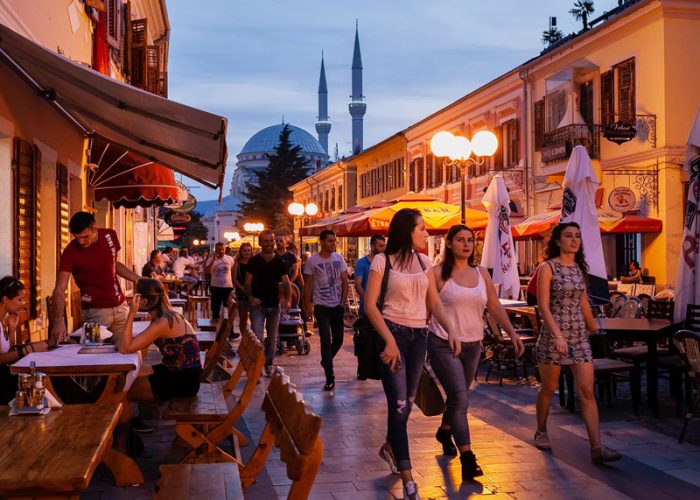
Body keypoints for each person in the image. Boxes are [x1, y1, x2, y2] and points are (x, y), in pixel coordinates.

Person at [364, 208, 459, 499]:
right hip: (392, 336)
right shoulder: (383, 261)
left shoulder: (424, 261)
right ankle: (408, 477)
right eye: (422, 228)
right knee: (400, 405)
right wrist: (389, 341)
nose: (426, 233)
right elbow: (369, 305)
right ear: (407, 230)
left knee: (408, 400)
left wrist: (450, 329)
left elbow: (434, 300)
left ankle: (391, 446)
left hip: (419, 337)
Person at [428, 225, 524, 480]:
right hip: (442, 344)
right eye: (460, 240)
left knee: (457, 397)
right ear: (448, 243)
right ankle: (468, 458)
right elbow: (429, 308)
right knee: (460, 398)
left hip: (473, 345)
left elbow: (493, 305)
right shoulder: (437, 274)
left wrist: (511, 333)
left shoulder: (481, 273)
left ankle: (445, 430)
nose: (466, 244)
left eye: (470, 240)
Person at [534, 222, 622, 464]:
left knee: (586, 391)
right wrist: (558, 336)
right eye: (568, 236)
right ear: (558, 241)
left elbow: (583, 303)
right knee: (549, 389)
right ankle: (541, 430)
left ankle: (596, 447)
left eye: (577, 237)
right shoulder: (547, 267)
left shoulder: (578, 270)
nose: (574, 240)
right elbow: (543, 306)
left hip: (579, 337)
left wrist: (595, 329)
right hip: (554, 338)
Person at [115, 278, 202, 451]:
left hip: (182, 381)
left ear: (144, 301)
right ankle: (135, 422)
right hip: (184, 373)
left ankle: (120, 447)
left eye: (136, 296)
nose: (133, 299)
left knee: (120, 394)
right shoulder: (169, 316)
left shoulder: (161, 322)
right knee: (126, 378)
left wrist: (131, 313)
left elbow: (125, 348)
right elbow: (132, 345)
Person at [50, 211, 141, 343]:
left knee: (126, 348)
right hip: (95, 312)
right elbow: (59, 289)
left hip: (120, 307)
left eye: (85, 237)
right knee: (92, 352)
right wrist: (58, 321)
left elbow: (113, 264)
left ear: (94, 229)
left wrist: (137, 279)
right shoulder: (70, 252)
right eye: (77, 238)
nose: (81, 242)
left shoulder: (110, 235)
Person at [303, 230, 349, 391]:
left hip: (337, 305)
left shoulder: (339, 258)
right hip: (321, 306)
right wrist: (307, 306)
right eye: (330, 241)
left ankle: (326, 360)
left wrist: (343, 303)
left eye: (334, 241)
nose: (333, 244)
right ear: (322, 242)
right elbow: (307, 284)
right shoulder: (312, 261)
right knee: (325, 339)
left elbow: (345, 281)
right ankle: (330, 376)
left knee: (339, 340)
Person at [245, 230, 292, 375]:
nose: (270, 244)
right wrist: (251, 298)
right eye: (266, 241)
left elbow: (286, 283)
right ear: (260, 243)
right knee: (258, 338)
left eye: (271, 241)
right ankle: (257, 365)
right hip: (258, 306)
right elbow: (247, 283)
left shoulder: (279, 262)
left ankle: (269, 363)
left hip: (274, 304)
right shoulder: (254, 261)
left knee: (273, 338)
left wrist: (288, 300)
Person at [0, 277, 50, 404]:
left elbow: (9, 352)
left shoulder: (3, 321)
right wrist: (29, 349)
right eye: (19, 300)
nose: (22, 303)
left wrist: (12, 330)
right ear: (5, 299)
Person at [354, 234, 386, 315]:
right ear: (372, 246)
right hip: (367, 309)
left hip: (384, 308)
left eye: (384, 246)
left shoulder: (386, 262)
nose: (383, 249)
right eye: (380, 246)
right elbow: (358, 285)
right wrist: (368, 302)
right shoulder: (362, 263)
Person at [204, 242, 235, 320]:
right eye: (218, 250)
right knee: (215, 309)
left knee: (228, 309)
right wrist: (213, 261)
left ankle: (229, 331)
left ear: (225, 250)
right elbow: (207, 272)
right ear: (215, 250)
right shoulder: (211, 260)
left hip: (228, 287)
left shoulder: (230, 259)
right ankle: (215, 329)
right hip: (215, 287)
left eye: (222, 249)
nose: (221, 251)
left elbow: (233, 271)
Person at [233, 243, 253, 336]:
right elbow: (234, 279)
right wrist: (242, 288)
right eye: (245, 250)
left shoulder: (253, 262)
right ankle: (244, 338)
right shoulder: (237, 263)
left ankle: (254, 340)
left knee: (254, 318)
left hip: (253, 293)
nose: (247, 252)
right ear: (241, 251)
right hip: (241, 293)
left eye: (249, 250)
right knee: (243, 318)